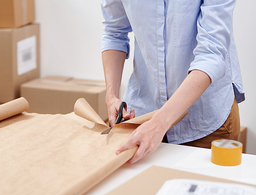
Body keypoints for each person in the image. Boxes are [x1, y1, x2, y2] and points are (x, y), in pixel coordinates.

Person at [101, 0, 245, 164]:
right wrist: (111, 96)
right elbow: (114, 32)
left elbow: (211, 54)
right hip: (144, 115)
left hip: (205, 121)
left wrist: (160, 123)